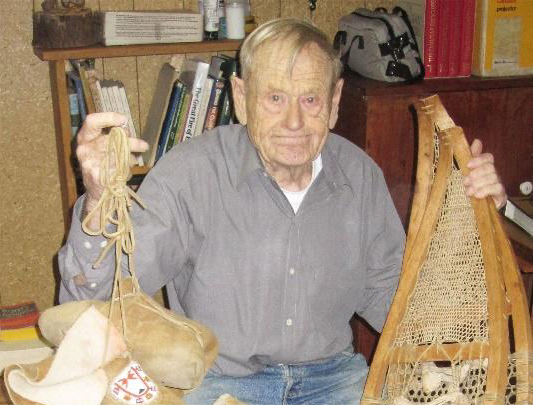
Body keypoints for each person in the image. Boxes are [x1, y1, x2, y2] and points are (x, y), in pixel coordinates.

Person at [59, 18, 507, 405]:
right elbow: (99, 298)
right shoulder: (189, 174)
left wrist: (470, 228)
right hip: (220, 382)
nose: (293, 122)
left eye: (310, 99)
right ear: (240, 96)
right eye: (274, 98)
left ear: (334, 103)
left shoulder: (360, 176)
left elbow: (405, 308)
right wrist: (99, 201)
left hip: (333, 382)